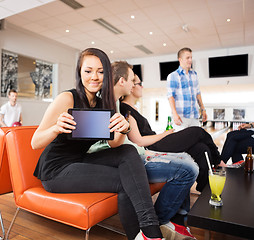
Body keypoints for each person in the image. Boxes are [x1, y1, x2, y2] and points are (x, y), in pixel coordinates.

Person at [31, 48, 164, 240]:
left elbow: (114, 145)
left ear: (108, 75)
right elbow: (35, 142)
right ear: (79, 72)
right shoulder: (67, 98)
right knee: (127, 181)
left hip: (81, 160)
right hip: (56, 170)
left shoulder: (103, 103)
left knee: (128, 151)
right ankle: (150, 234)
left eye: (101, 71)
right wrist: (56, 128)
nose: (94, 77)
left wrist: (124, 129)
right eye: (88, 71)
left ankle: (148, 234)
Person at [112, 61, 198, 240]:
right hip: (132, 160)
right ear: (122, 81)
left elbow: (132, 142)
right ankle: (160, 223)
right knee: (188, 168)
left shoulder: (119, 107)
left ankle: (176, 221)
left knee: (187, 157)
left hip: (139, 154)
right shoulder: (119, 108)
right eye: (133, 80)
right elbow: (127, 142)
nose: (135, 84)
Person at [120, 73, 225, 192]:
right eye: (140, 84)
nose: (142, 87)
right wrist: (165, 134)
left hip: (157, 140)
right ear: (132, 87)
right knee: (198, 132)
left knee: (201, 148)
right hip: (153, 145)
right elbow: (138, 140)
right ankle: (219, 161)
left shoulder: (133, 108)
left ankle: (204, 188)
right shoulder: (126, 109)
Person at [167, 47, 207, 131]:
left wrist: (203, 110)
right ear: (180, 59)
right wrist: (174, 114)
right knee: (182, 143)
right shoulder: (173, 76)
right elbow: (171, 96)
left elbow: (198, 94)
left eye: (191, 57)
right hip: (181, 117)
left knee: (196, 142)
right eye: (187, 58)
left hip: (194, 117)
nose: (190, 60)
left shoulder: (194, 74)